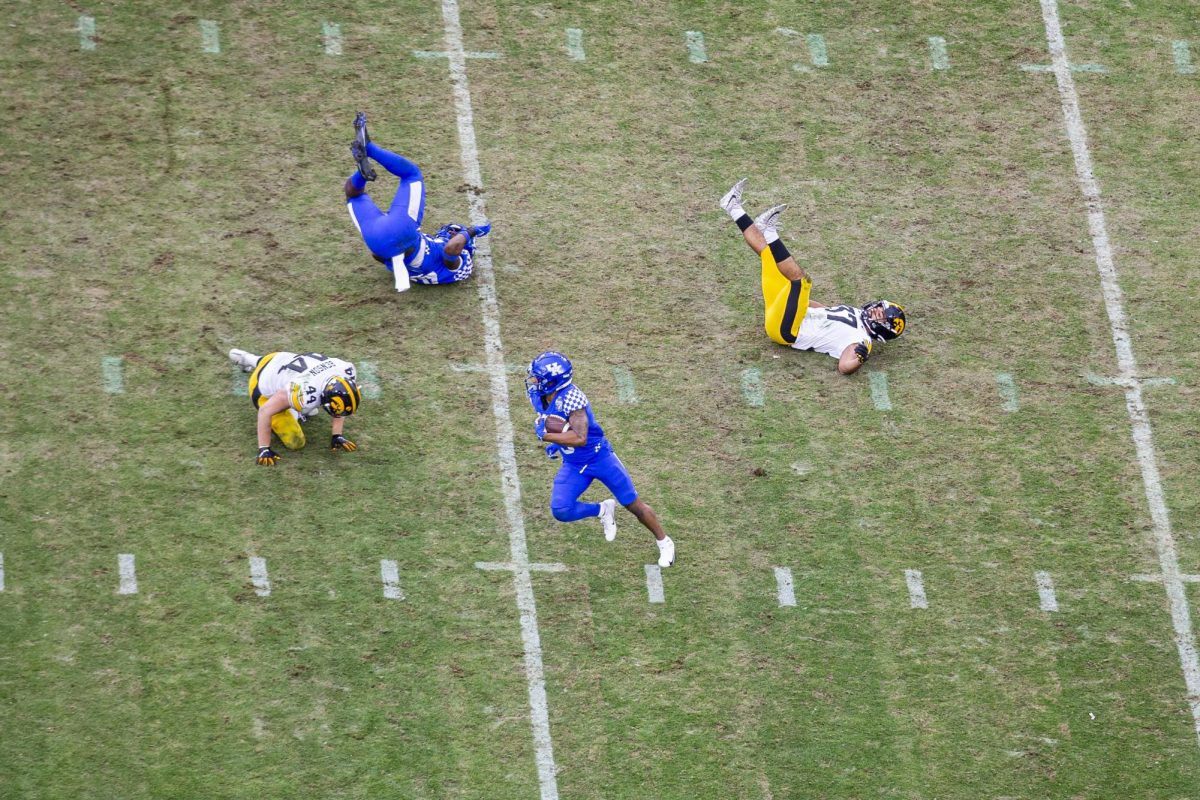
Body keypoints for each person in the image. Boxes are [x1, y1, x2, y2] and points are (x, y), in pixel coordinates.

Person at [719, 179, 906, 375]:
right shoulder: (854, 313)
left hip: (788, 330)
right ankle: (733, 206)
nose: (875, 310)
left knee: (802, 281)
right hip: (787, 316)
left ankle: (769, 231)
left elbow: (844, 367)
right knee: (769, 256)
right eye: (879, 308)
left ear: (883, 329)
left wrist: (858, 359)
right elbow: (822, 309)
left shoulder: (863, 341)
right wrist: (797, 301)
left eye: (880, 315)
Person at [525, 351, 675, 568]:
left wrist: (546, 435)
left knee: (633, 504)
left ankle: (664, 542)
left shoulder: (572, 399)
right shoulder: (540, 397)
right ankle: (603, 510)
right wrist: (556, 443)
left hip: (599, 458)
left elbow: (579, 437)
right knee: (561, 510)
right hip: (574, 464)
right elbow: (559, 424)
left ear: (552, 381)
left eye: (538, 378)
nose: (534, 382)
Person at [345, 112, 490, 292]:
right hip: (378, 242)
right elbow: (378, 256)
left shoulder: (460, 266)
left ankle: (370, 149)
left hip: (402, 233)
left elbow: (452, 249)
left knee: (411, 175)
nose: (452, 234)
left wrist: (472, 231)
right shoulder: (426, 271)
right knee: (353, 195)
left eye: (454, 233)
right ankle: (362, 173)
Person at [228, 349, 361, 466]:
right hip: (264, 387)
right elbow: (265, 411)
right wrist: (264, 448)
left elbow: (341, 402)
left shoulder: (345, 372)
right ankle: (250, 361)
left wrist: (337, 435)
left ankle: (249, 358)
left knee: (309, 408)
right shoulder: (304, 392)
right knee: (295, 441)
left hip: (280, 358)